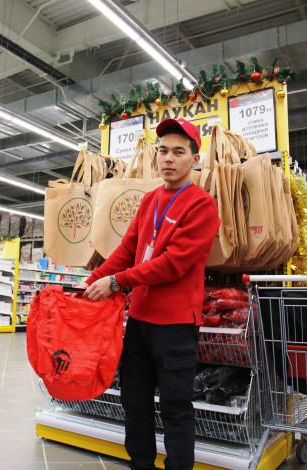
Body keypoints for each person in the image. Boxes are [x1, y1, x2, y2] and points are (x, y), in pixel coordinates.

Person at [76, 118, 220, 470]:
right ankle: (141, 464)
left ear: (194, 160)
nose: (168, 158)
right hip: (139, 321)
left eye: (178, 152)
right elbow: (127, 251)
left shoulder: (202, 206)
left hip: (176, 326)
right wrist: (91, 282)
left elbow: (172, 264)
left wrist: (116, 283)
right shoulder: (150, 200)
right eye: (163, 151)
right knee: (134, 401)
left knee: (175, 407)